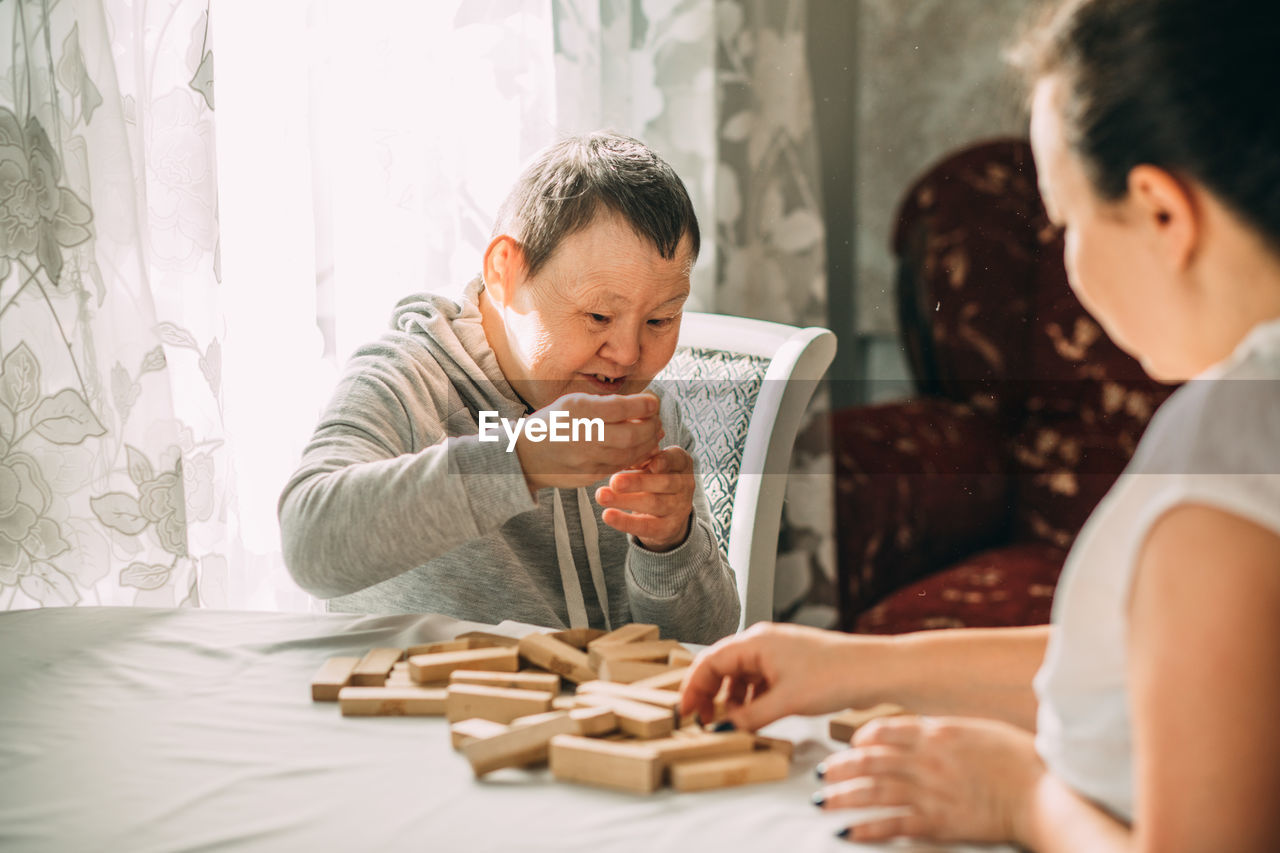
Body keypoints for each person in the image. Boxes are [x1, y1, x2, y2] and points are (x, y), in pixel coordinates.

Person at [681, 0, 1280, 848]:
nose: (1066, 264)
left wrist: (1019, 799)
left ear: (1161, 213)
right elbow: (1153, 671)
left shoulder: (1224, 459)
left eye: (1063, 220)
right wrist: (849, 667)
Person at [279, 132, 740, 644]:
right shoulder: (407, 382)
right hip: (425, 714)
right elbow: (307, 543)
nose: (628, 354)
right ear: (505, 272)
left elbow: (709, 641)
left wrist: (670, 545)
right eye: (598, 315)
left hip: (589, 717)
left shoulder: (651, 414)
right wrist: (519, 461)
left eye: (661, 319)